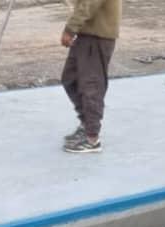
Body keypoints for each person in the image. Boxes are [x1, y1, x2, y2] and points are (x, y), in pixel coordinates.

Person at [61, 0, 121, 153]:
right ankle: (86, 124)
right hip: (86, 33)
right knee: (71, 79)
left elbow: (90, 3)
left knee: (91, 86)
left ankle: (92, 138)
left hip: (97, 36)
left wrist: (70, 28)